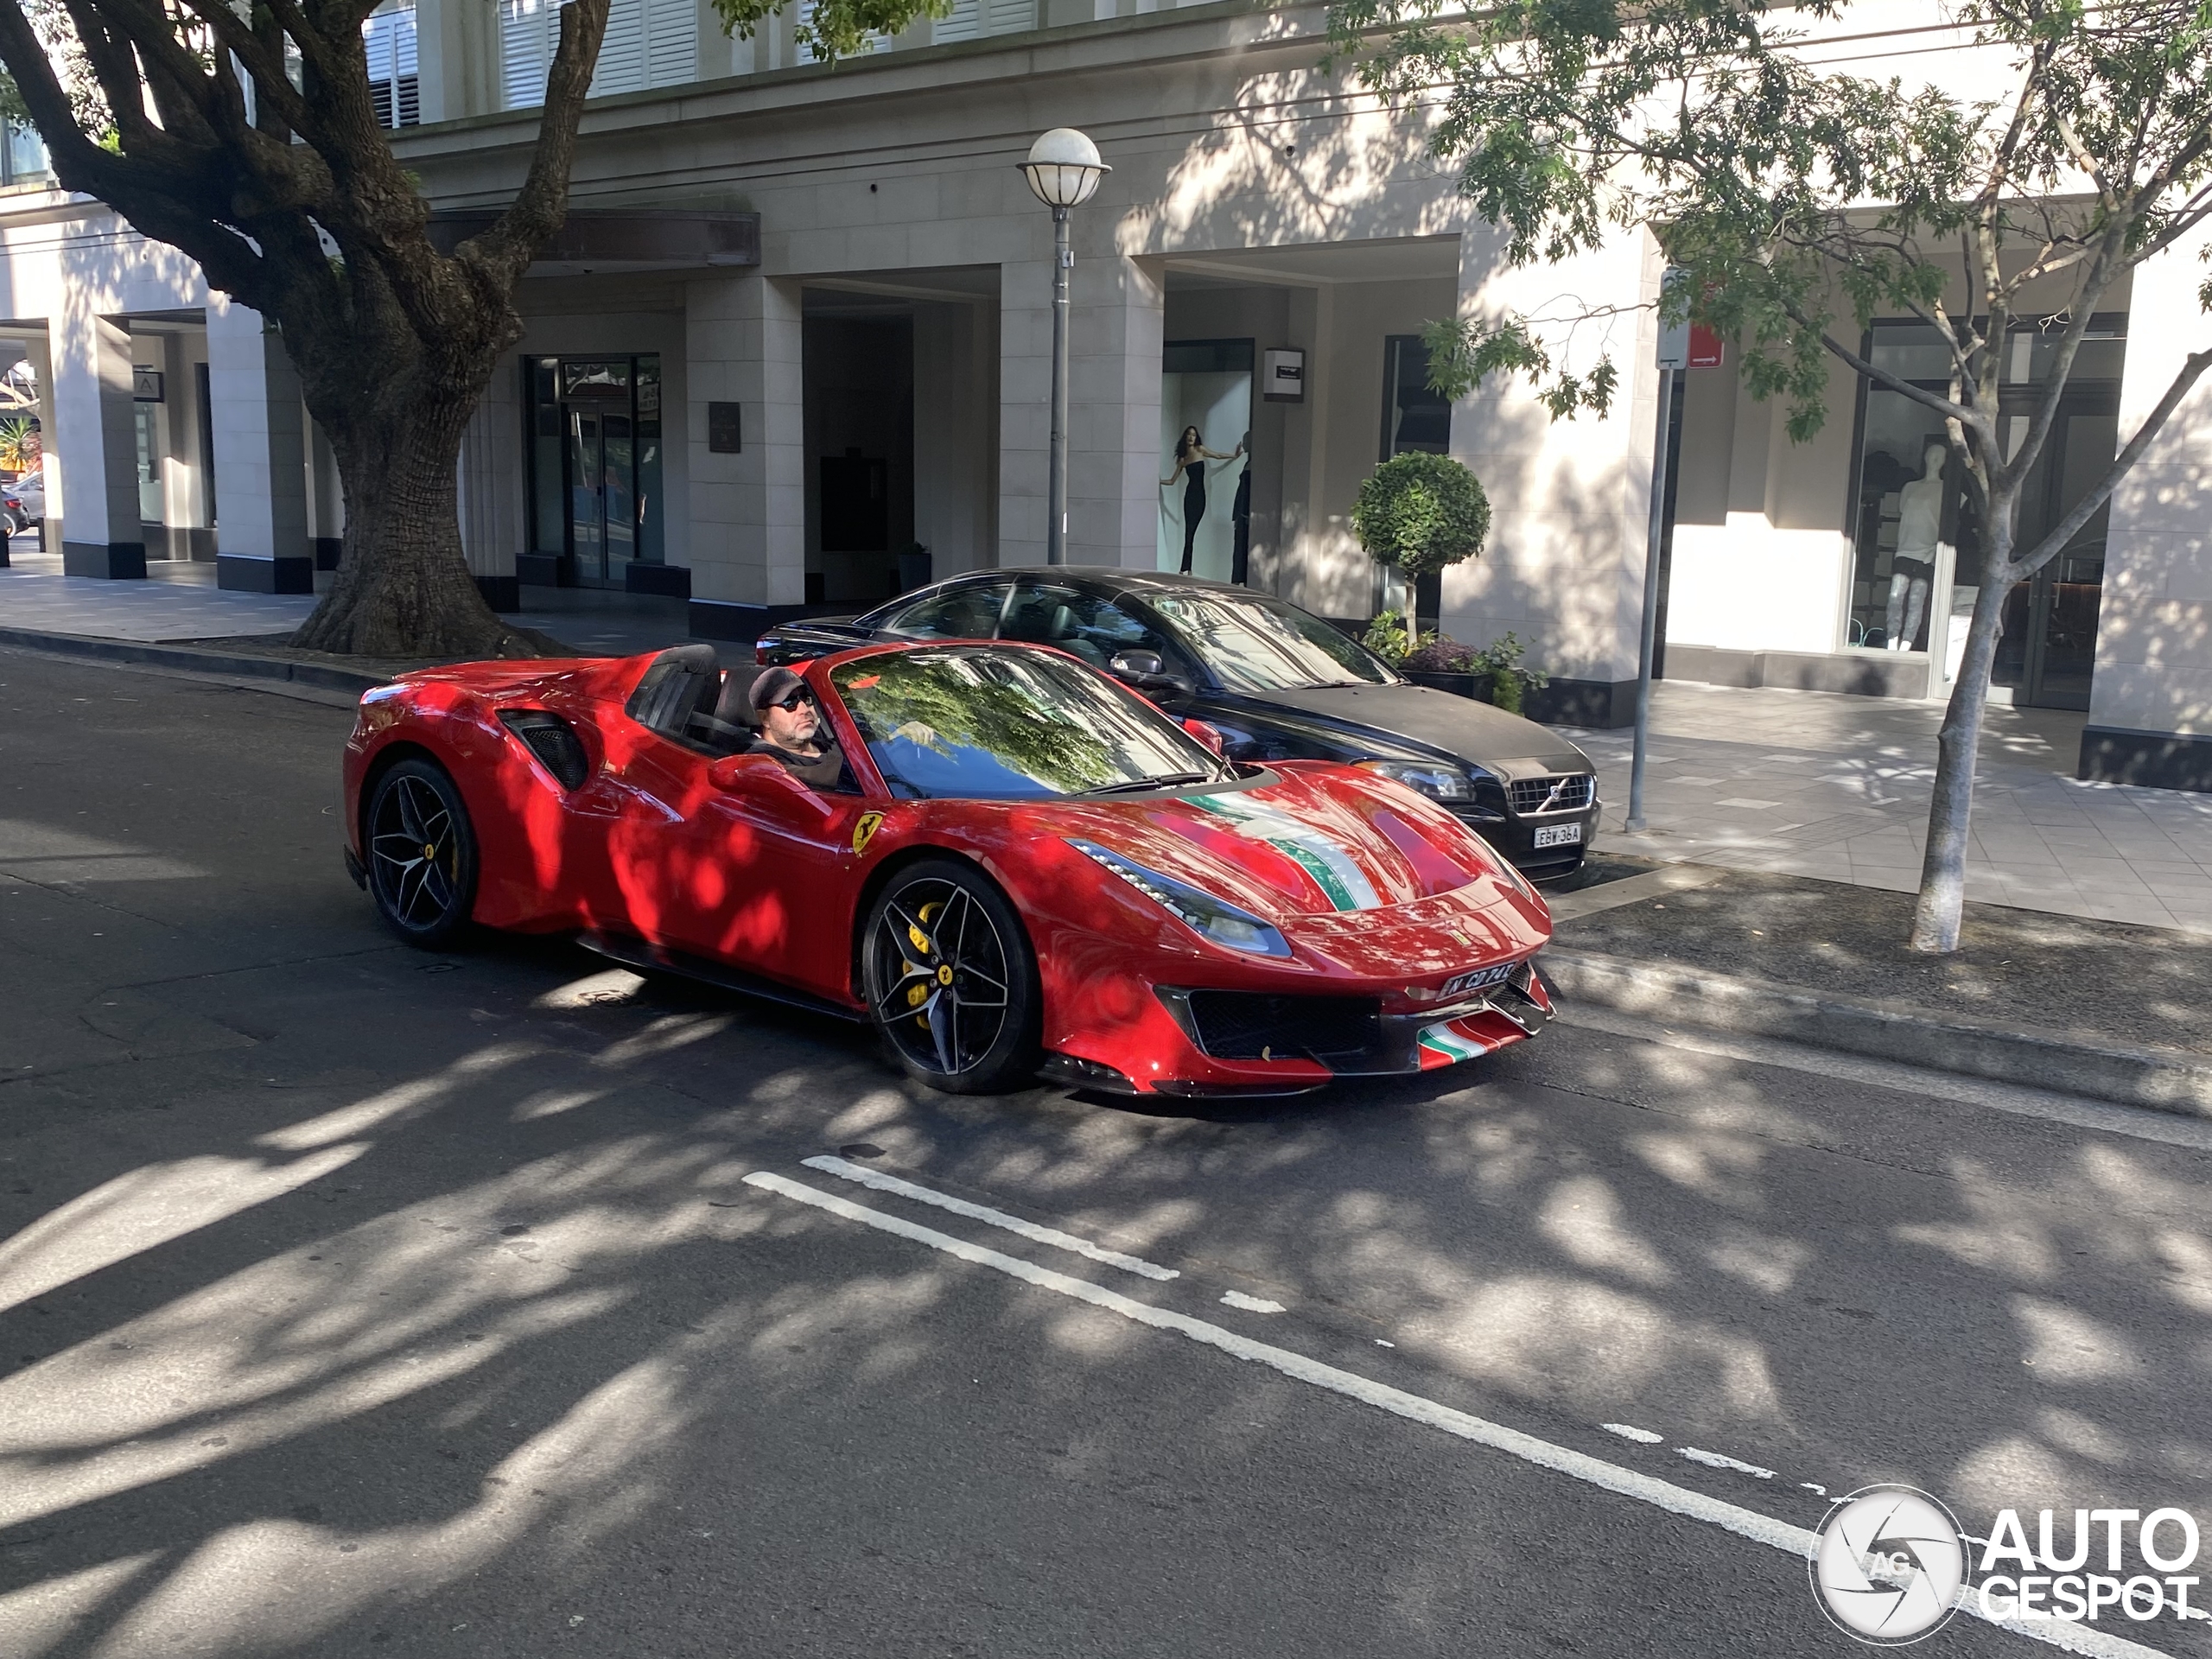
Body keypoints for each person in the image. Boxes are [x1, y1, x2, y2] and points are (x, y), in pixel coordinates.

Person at [747, 666, 853, 791]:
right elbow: (813, 779)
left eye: (806, 699)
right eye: (789, 703)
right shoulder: (763, 762)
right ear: (765, 718)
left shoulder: (824, 738)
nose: (805, 710)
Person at [1161, 426, 1242, 574]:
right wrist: (1158, 481)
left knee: (1192, 531)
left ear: (1196, 437)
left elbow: (1216, 455)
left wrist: (1233, 456)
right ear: (1185, 437)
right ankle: (1186, 568)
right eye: (1189, 435)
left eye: (1193, 435)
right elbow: (1172, 481)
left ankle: (1186, 567)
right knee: (1188, 532)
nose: (1191, 438)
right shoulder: (1183, 459)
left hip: (1200, 496)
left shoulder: (1200, 450)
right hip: (1189, 496)